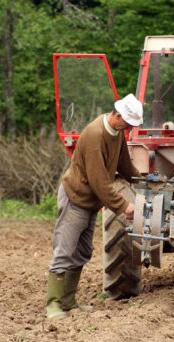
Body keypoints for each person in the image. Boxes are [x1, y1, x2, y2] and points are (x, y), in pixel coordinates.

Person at [45, 93, 143, 320]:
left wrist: (141, 179)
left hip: (90, 202)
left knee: (82, 251)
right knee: (65, 250)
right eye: (128, 124)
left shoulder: (116, 132)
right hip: (76, 198)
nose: (128, 129)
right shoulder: (95, 136)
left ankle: (69, 302)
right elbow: (99, 181)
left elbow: (123, 163)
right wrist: (124, 206)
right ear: (118, 115)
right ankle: (53, 304)